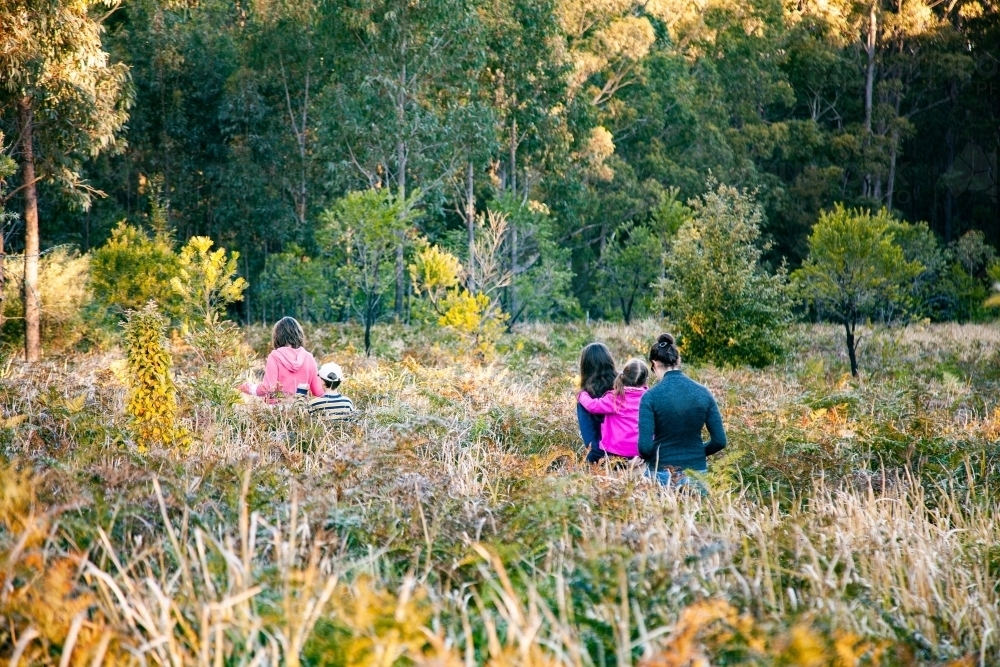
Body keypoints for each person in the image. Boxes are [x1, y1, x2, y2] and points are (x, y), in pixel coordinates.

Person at [638, 333, 727, 487]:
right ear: (678, 360)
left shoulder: (650, 396)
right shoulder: (703, 392)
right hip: (697, 473)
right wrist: (697, 452)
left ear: (655, 364)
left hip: (660, 473)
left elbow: (645, 448)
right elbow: (720, 441)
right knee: (699, 511)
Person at [239, 317, 325, 402]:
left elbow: (268, 388)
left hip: (277, 411)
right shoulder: (309, 357)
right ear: (299, 335)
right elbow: (318, 391)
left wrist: (248, 388)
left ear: (277, 336)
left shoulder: (274, 357)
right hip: (301, 410)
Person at [578, 358, 648, 460]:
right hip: (642, 450)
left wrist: (582, 394)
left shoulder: (616, 398)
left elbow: (592, 406)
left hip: (617, 451)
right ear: (645, 380)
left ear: (623, 377)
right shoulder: (649, 397)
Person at [577, 342, 618, 463]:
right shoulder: (625, 388)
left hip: (602, 459)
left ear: (585, 367)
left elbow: (591, 444)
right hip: (635, 455)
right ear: (609, 361)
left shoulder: (585, 399)